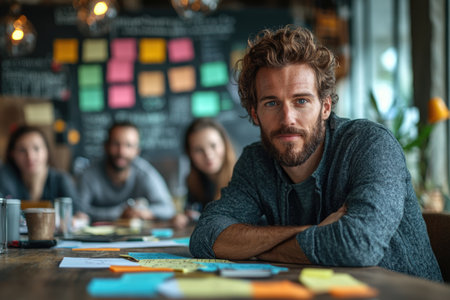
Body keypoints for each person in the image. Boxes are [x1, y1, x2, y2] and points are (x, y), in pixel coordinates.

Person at [189, 25, 443, 282]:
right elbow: (206, 236)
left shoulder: (370, 145)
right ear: (255, 114)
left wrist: (257, 248)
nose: (287, 118)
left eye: (301, 101)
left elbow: (358, 246)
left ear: (325, 107)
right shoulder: (256, 162)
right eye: (272, 103)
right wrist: (314, 232)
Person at [76, 121, 175, 223]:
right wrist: (120, 213)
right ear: (106, 146)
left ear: (137, 151)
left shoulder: (145, 173)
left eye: (128, 145)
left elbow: (168, 209)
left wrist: (144, 212)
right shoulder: (89, 174)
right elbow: (78, 211)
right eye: (116, 144)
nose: (121, 152)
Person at [172, 118, 237, 229]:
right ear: (189, 155)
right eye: (198, 150)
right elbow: (191, 212)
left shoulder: (242, 179)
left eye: (213, 146)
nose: (208, 155)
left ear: (225, 145)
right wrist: (183, 218)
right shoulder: (194, 181)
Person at [0, 125, 78, 203]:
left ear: (47, 151)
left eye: (36, 148)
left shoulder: (61, 180)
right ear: (12, 154)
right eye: (22, 150)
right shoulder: (5, 178)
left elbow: (80, 213)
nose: (30, 157)